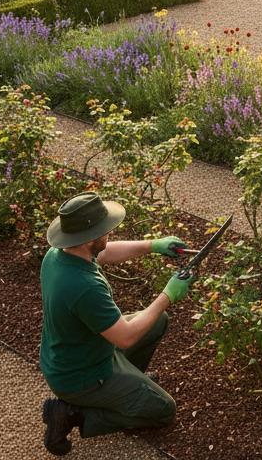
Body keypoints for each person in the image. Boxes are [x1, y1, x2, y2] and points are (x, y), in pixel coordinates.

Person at [39, 193, 197, 456]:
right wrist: (168, 295)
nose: (109, 231)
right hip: (82, 376)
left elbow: (105, 252)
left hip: (77, 353)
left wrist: (154, 245)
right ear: (88, 238)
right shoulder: (84, 287)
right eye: (104, 229)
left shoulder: (59, 254)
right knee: (163, 410)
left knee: (156, 321)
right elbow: (126, 338)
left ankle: (129, 384)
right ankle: (73, 414)